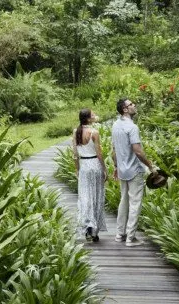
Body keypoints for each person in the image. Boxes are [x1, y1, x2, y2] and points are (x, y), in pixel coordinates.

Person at [111, 97, 155, 247]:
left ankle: (119, 234)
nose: (134, 105)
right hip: (134, 170)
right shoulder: (132, 127)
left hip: (123, 170)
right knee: (135, 203)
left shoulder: (115, 125)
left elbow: (113, 150)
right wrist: (150, 166)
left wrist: (116, 167)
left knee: (124, 201)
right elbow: (138, 151)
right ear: (125, 109)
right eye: (131, 104)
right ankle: (130, 238)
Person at [72, 107, 107, 242]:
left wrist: (77, 169)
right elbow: (99, 153)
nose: (95, 115)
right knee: (96, 196)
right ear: (88, 118)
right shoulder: (94, 132)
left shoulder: (76, 132)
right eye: (93, 114)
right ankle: (94, 230)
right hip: (95, 165)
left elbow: (75, 154)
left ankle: (87, 227)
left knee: (85, 197)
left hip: (84, 167)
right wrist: (104, 169)